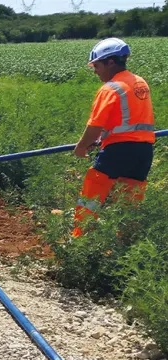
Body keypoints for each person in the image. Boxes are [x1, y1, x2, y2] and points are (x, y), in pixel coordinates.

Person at [72, 37, 155, 237]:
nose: (95, 70)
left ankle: (80, 240)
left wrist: (82, 146)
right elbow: (129, 119)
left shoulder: (110, 88)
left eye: (97, 65)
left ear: (110, 62)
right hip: (144, 151)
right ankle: (124, 241)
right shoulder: (139, 82)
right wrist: (102, 139)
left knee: (92, 191)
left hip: (118, 150)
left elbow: (94, 126)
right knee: (128, 200)